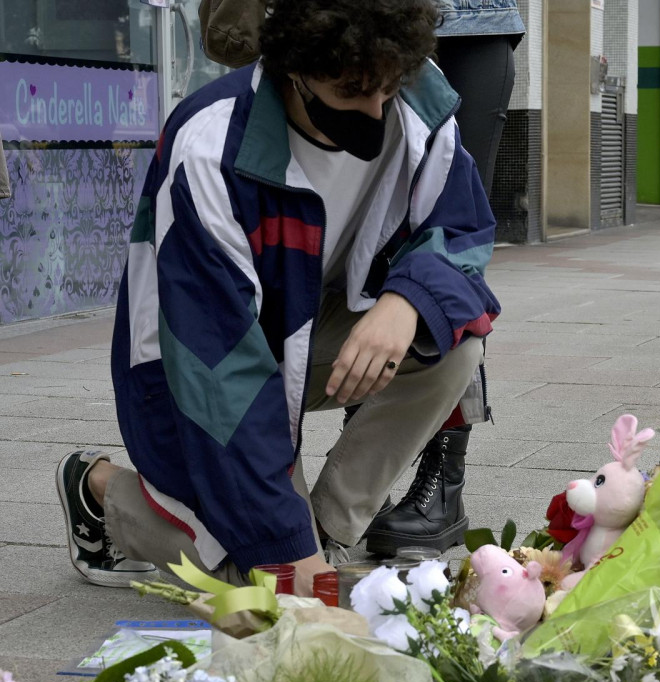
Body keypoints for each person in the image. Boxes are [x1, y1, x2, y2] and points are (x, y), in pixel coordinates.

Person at [55, 0, 500, 595]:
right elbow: (223, 377)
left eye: (387, 90)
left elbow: (463, 227)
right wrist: (281, 549)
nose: (375, 110)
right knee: (256, 584)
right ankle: (99, 488)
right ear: (294, 72)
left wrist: (407, 301)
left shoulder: (414, 95)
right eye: (350, 92)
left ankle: (327, 530)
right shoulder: (212, 146)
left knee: (454, 343)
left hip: (311, 327)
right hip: (192, 368)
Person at [361, 0, 525, 558]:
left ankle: (443, 485)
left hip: (473, 26)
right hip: (356, 21)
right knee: (366, 248)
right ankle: (367, 473)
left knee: (445, 261)